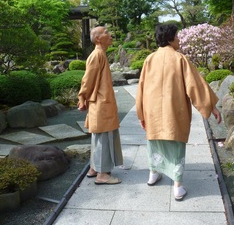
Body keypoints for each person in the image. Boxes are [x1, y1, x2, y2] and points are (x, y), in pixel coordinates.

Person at [136, 23, 221, 201]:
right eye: (177, 36)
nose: (179, 39)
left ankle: (153, 173)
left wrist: (141, 113)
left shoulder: (149, 59)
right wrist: (210, 106)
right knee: (175, 145)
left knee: (155, 142)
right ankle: (177, 186)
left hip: (152, 109)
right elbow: (195, 85)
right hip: (173, 110)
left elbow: (141, 89)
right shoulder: (179, 59)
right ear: (170, 38)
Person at [78, 26, 123, 185]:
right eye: (105, 32)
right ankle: (102, 174)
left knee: (99, 137)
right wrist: (82, 97)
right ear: (97, 38)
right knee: (103, 137)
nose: (109, 34)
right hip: (101, 103)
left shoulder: (100, 54)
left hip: (102, 102)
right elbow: (87, 79)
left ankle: (94, 168)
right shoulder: (97, 55)